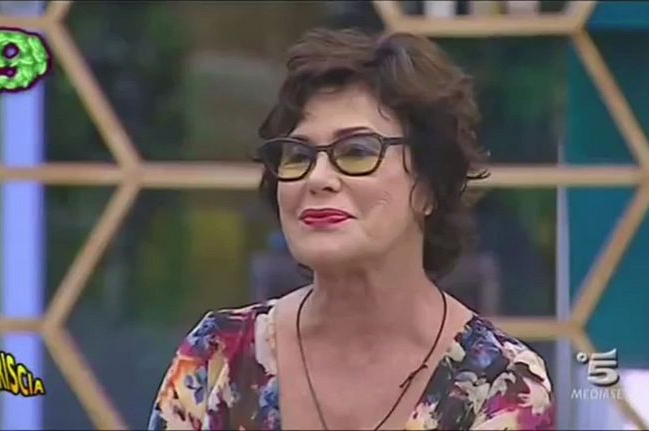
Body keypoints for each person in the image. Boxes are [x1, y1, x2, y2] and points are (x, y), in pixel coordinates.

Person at [148, 28, 554, 430]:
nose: (317, 178)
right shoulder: (217, 357)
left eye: (356, 152)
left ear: (429, 186)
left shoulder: (501, 384)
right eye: (298, 155)